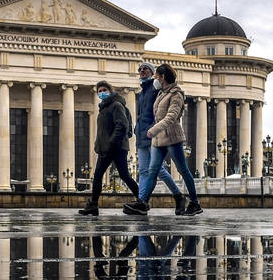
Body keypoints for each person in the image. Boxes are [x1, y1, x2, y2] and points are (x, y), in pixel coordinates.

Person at [124, 64, 201, 216]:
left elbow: (171, 116)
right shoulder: (161, 93)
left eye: (156, 76)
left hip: (171, 137)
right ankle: (143, 202)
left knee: (183, 170)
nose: (155, 79)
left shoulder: (176, 94)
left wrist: (153, 129)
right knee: (152, 170)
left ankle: (195, 203)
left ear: (162, 77)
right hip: (158, 138)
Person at [78, 80, 138, 215]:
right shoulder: (103, 108)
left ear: (110, 91)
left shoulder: (116, 105)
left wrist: (111, 143)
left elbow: (122, 125)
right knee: (99, 175)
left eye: (104, 90)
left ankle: (142, 200)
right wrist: (98, 145)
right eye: (99, 91)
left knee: (124, 176)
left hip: (116, 148)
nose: (101, 93)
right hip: (106, 148)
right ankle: (93, 205)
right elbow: (102, 131)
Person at [133, 63, 186, 215]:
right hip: (142, 134)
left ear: (153, 73)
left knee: (156, 170)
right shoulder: (142, 91)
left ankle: (175, 196)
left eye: (146, 69)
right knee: (144, 170)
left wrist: (156, 129)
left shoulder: (156, 89)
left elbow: (161, 110)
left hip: (153, 133)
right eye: (140, 69)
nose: (142, 71)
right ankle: (143, 202)